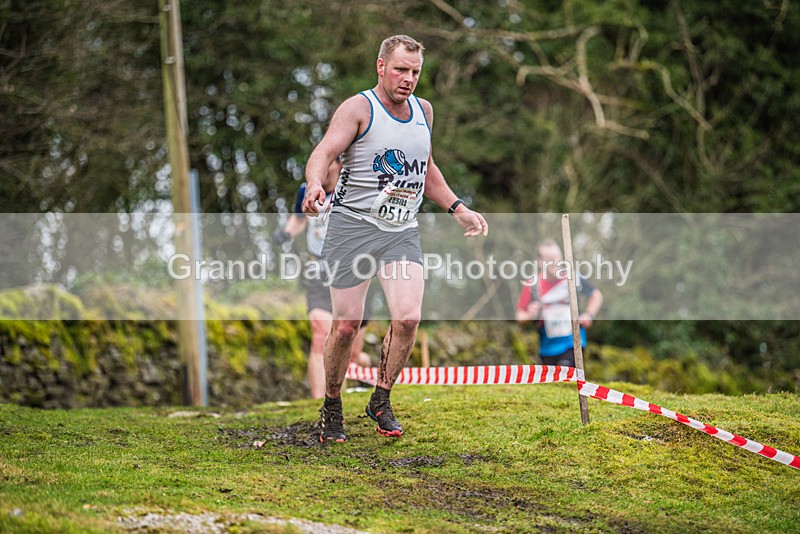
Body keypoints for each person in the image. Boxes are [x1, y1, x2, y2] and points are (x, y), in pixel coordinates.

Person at [302, 34, 488, 443]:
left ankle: (380, 399)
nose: (408, 79)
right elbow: (324, 152)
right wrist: (315, 183)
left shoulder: (424, 111)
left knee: (407, 318)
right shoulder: (358, 108)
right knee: (347, 325)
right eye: (401, 69)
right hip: (351, 227)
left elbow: (427, 168)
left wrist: (458, 207)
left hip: (400, 230)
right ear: (381, 66)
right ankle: (332, 406)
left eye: (416, 72)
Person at [273, 159, 372, 400]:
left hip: (354, 271)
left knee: (352, 347)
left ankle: (362, 377)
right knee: (320, 335)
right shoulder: (306, 190)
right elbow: (300, 218)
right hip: (318, 268)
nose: (320, 173)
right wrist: (286, 233)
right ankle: (320, 402)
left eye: (325, 166)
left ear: (338, 166)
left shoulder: (354, 187)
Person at [515, 239, 603, 367]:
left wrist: (588, 315)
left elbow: (596, 295)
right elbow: (519, 316)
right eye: (549, 259)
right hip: (547, 347)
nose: (555, 263)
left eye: (557, 258)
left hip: (573, 342)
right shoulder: (533, 284)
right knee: (553, 381)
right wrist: (530, 315)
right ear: (539, 262)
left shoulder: (572, 278)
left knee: (566, 373)